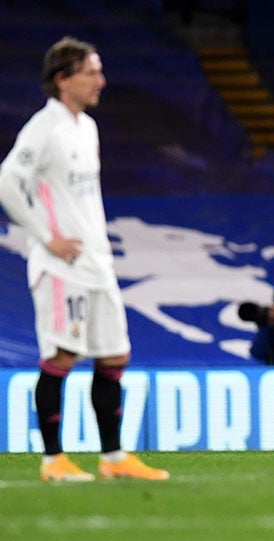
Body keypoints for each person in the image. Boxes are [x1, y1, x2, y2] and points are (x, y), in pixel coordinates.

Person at [0, 37, 169, 481]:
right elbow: (6, 181)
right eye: (91, 72)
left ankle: (113, 459)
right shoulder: (44, 127)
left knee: (115, 356)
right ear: (63, 79)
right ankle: (53, 461)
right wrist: (45, 237)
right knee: (62, 352)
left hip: (96, 264)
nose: (101, 80)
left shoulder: (85, 127)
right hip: (61, 266)